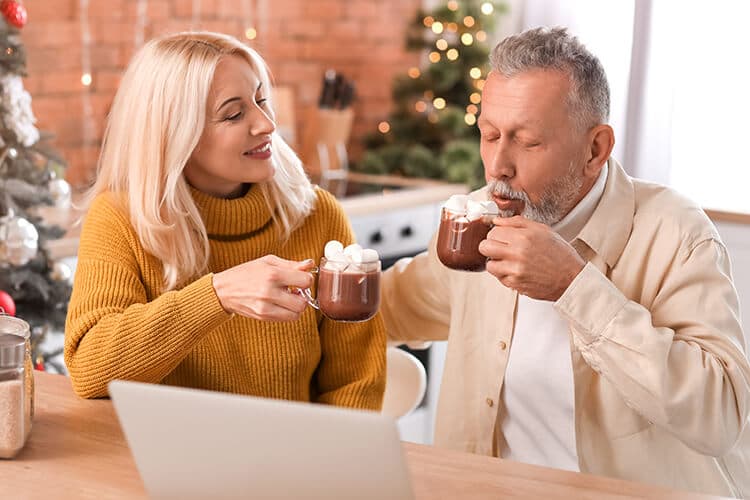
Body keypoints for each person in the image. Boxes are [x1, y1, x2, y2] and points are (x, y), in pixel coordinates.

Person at [381, 27, 749, 497]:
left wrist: (574, 287)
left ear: (595, 149)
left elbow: (719, 417)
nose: (497, 166)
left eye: (526, 141)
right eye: (489, 135)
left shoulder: (677, 232)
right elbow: (388, 306)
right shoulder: (480, 215)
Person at [64, 31, 385, 411]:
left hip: (299, 465)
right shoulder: (120, 219)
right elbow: (90, 369)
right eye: (233, 113)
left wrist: (323, 464)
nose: (266, 124)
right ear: (173, 134)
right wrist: (217, 295)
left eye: (261, 101)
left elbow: (356, 382)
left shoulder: (318, 217)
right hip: (166, 466)